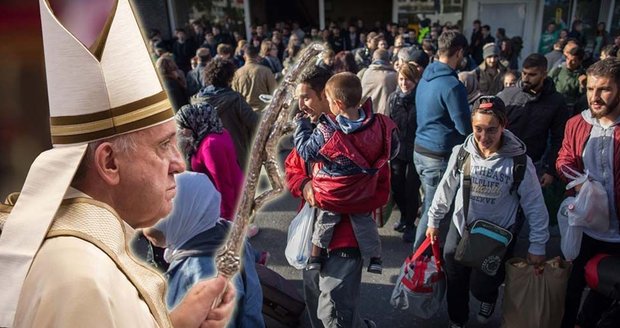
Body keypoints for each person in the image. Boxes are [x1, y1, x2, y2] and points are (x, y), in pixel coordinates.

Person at [0, 0, 235, 326]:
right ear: (109, 162)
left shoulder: (89, 251)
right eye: (163, 145)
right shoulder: (81, 280)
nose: (179, 164)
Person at [426, 96, 549, 328]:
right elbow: (446, 188)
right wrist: (434, 219)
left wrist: (538, 244)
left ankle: (487, 298)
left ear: (504, 125)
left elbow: (534, 204)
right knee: (455, 277)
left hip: (496, 235)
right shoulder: (461, 153)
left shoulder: (519, 161)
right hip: (462, 226)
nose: (484, 137)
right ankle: (458, 319)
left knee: (482, 285)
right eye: (478, 129)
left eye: (491, 130)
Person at [284, 66, 381, 328]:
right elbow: (292, 168)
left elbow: (381, 185)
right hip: (311, 235)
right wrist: (304, 185)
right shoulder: (312, 132)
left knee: (334, 313)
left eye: (305, 97)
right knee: (317, 305)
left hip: (346, 238)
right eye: (297, 99)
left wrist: (341, 194)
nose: (300, 106)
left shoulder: (364, 134)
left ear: (327, 97)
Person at [293, 72, 398, 275]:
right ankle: (375, 258)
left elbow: (306, 152)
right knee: (366, 222)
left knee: (325, 220)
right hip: (363, 192)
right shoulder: (378, 124)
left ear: (338, 104)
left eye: (330, 101)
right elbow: (392, 149)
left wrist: (302, 127)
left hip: (334, 193)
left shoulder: (327, 131)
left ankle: (315, 256)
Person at [144, 172, 265, 328]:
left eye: (157, 211)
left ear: (183, 211)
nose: (144, 227)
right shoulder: (224, 231)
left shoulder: (202, 275)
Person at [557, 58, 620, 328]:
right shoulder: (576, 123)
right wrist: (580, 182)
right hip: (585, 226)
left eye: (604, 89)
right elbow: (563, 160)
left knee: (608, 287)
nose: (594, 97)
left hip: (618, 231)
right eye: (590, 88)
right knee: (571, 286)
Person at [413, 30, 472, 248]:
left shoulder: (428, 74)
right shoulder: (452, 85)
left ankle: (421, 260)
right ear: (459, 53)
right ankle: (417, 263)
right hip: (437, 156)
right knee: (434, 213)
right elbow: (464, 127)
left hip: (421, 151)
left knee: (428, 207)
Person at [497, 54, 568, 189]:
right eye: (524, 73)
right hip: (502, 160)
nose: (526, 78)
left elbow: (559, 139)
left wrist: (550, 170)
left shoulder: (556, 102)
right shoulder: (508, 94)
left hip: (533, 164)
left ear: (544, 74)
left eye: (532, 74)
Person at [175, 103, 243, 221]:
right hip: (233, 190)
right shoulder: (218, 131)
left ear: (194, 122)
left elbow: (223, 183)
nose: (181, 131)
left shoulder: (210, 145)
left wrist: (227, 217)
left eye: (183, 126)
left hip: (228, 199)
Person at [191, 58, 259, 171]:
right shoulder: (235, 99)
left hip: (208, 153)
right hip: (234, 152)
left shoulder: (197, 100)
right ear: (229, 77)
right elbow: (254, 122)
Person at [388, 63, 422, 243]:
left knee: (411, 188)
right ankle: (403, 215)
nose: (404, 83)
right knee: (397, 186)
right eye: (401, 79)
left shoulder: (421, 99)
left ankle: (410, 224)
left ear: (415, 80)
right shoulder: (393, 98)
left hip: (416, 149)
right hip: (398, 150)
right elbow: (389, 123)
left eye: (408, 79)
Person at [231, 45, 277, 112]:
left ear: (244, 57)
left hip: (245, 112)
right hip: (263, 111)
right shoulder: (266, 71)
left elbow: (234, 95)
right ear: (257, 56)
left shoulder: (237, 74)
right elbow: (274, 92)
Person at [549, 45, 586, 116]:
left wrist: (582, 85)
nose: (569, 62)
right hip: (553, 104)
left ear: (580, 61)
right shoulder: (558, 70)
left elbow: (582, 96)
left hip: (568, 108)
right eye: (568, 59)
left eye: (573, 61)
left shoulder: (583, 75)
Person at [359, 48, 398, 116]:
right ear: (389, 60)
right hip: (384, 116)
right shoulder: (394, 76)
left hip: (366, 114)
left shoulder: (365, 73)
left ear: (373, 59)